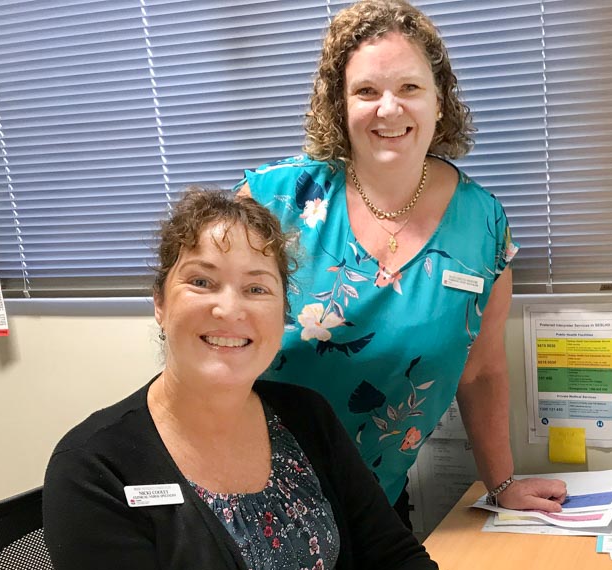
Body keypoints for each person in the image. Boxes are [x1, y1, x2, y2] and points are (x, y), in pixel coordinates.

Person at [43, 189, 496, 570]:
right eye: (201, 282)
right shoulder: (94, 468)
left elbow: (390, 556)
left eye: (257, 288)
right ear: (158, 303)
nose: (230, 310)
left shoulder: (303, 418)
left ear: (283, 314)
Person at [238, 0, 566, 527]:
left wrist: (502, 485)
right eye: (366, 91)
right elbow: (205, 335)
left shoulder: (483, 225)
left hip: (374, 507)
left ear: (440, 101)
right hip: (249, 504)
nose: (389, 109)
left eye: (410, 88)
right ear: (339, 106)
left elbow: (481, 371)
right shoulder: (274, 203)